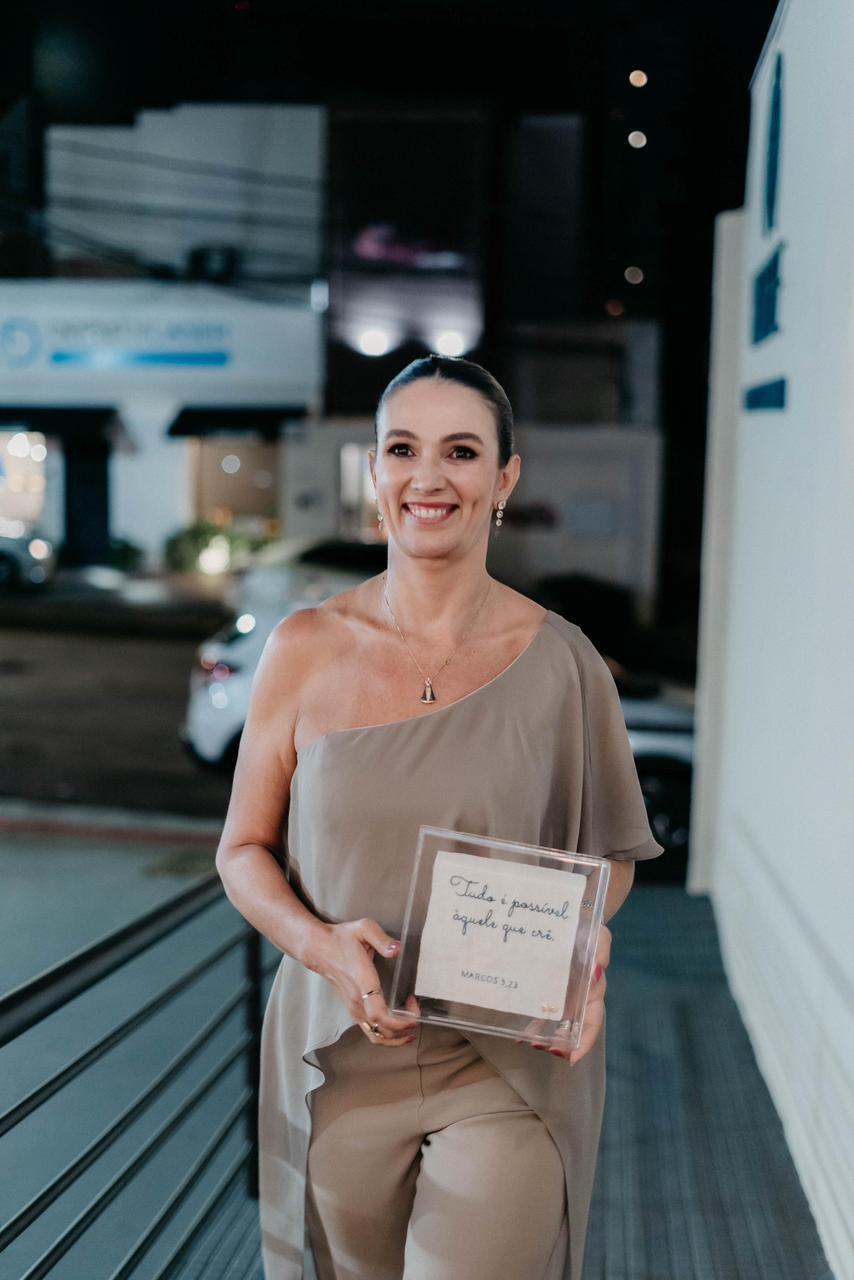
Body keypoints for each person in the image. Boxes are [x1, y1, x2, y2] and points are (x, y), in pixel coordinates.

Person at [215, 354, 665, 1280]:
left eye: (461, 452)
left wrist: (583, 935)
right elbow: (243, 851)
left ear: (504, 478)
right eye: (403, 450)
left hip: (506, 1060)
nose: (428, 477)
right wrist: (318, 944)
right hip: (336, 1051)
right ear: (374, 471)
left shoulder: (565, 662)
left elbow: (613, 855)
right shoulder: (304, 649)